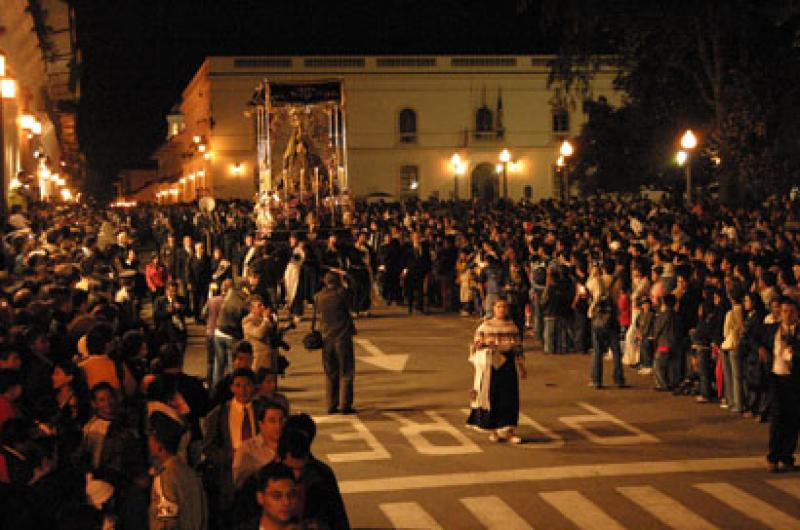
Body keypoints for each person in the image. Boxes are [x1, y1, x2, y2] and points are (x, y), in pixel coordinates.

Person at [466, 298, 527, 443]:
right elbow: (475, 345)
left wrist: (521, 367)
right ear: (493, 308)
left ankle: (509, 431)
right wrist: (484, 345)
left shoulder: (512, 327)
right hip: (491, 365)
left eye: (504, 307)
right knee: (492, 397)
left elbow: (518, 349)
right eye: (499, 306)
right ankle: (494, 430)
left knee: (510, 398)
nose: (501, 309)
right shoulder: (485, 326)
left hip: (508, 365)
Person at [148, 411, 208, 530]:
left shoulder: (164, 478)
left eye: (151, 439)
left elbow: (166, 523)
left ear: (160, 446)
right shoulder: (189, 472)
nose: (148, 443)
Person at [759, 297, 800, 473]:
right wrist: (761, 349)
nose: (787, 315)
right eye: (784, 311)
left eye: (791, 312)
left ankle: (787, 456)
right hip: (776, 378)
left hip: (795, 379)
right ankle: (773, 456)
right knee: (777, 418)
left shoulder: (798, 333)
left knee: (793, 418)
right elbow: (753, 338)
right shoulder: (771, 330)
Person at [315, 272, 356, 414]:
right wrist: (346, 277)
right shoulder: (341, 294)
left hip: (326, 338)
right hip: (342, 337)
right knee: (346, 371)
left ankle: (331, 404)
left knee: (330, 373)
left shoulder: (319, 297)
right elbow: (354, 297)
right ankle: (345, 404)